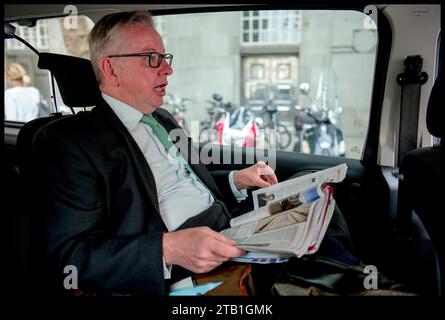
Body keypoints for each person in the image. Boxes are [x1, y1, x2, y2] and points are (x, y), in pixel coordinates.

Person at [33, 10, 354, 295]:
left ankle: (342, 276)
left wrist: (235, 180)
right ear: (111, 69)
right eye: (150, 58)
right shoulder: (71, 141)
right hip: (191, 258)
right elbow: (69, 257)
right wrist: (166, 250)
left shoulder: (161, 117)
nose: (167, 70)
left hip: (230, 224)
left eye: (164, 57)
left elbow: (190, 179)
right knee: (312, 253)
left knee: (313, 189)